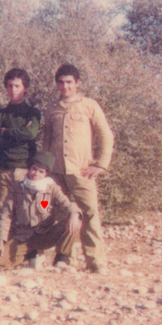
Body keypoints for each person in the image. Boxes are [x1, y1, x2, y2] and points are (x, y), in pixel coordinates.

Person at [43, 64, 114, 273]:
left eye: (69, 82)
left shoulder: (89, 106)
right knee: (59, 212)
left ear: (78, 83)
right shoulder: (52, 109)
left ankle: (95, 261)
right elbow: (47, 140)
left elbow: (106, 135)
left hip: (82, 171)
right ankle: (67, 258)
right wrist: (45, 168)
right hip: (56, 171)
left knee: (90, 212)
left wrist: (100, 164)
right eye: (61, 82)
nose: (65, 86)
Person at [0, 151, 81, 268]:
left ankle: (61, 258)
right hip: (24, 236)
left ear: (46, 174)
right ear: (29, 169)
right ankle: (30, 256)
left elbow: (68, 205)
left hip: (45, 234)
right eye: (34, 169)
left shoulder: (52, 188)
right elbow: (5, 215)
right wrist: (1, 242)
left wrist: (74, 214)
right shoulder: (17, 188)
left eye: (41, 171)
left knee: (75, 220)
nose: (36, 173)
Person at [0, 68, 41, 211]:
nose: (13, 90)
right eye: (10, 86)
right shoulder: (0, 114)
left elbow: (30, 133)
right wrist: (19, 136)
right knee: (4, 208)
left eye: (17, 86)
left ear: (25, 88)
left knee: (25, 208)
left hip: (24, 167)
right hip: (3, 168)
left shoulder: (32, 113)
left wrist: (5, 132)